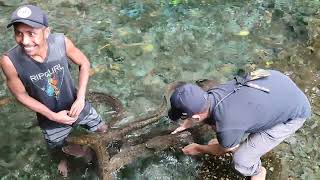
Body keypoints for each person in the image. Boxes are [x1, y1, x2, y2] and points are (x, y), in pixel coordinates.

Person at [0, 5, 108, 177]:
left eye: (31, 33)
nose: (25, 41)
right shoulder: (9, 61)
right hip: (49, 119)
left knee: (103, 130)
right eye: (19, 33)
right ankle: (63, 160)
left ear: (46, 32)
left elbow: (84, 63)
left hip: (77, 105)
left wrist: (80, 98)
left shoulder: (61, 42)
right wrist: (52, 115)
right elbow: (20, 95)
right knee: (58, 149)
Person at [168, 69, 311, 180]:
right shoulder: (213, 93)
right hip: (276, 82)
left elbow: (221, 150)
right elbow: (206, 113)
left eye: (183, 117)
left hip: (295, 113)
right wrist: (188, 123)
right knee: (226, 133)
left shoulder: (227, 125)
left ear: (196, 117)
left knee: (241, 160)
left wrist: (199, 148)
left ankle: (258, 171)